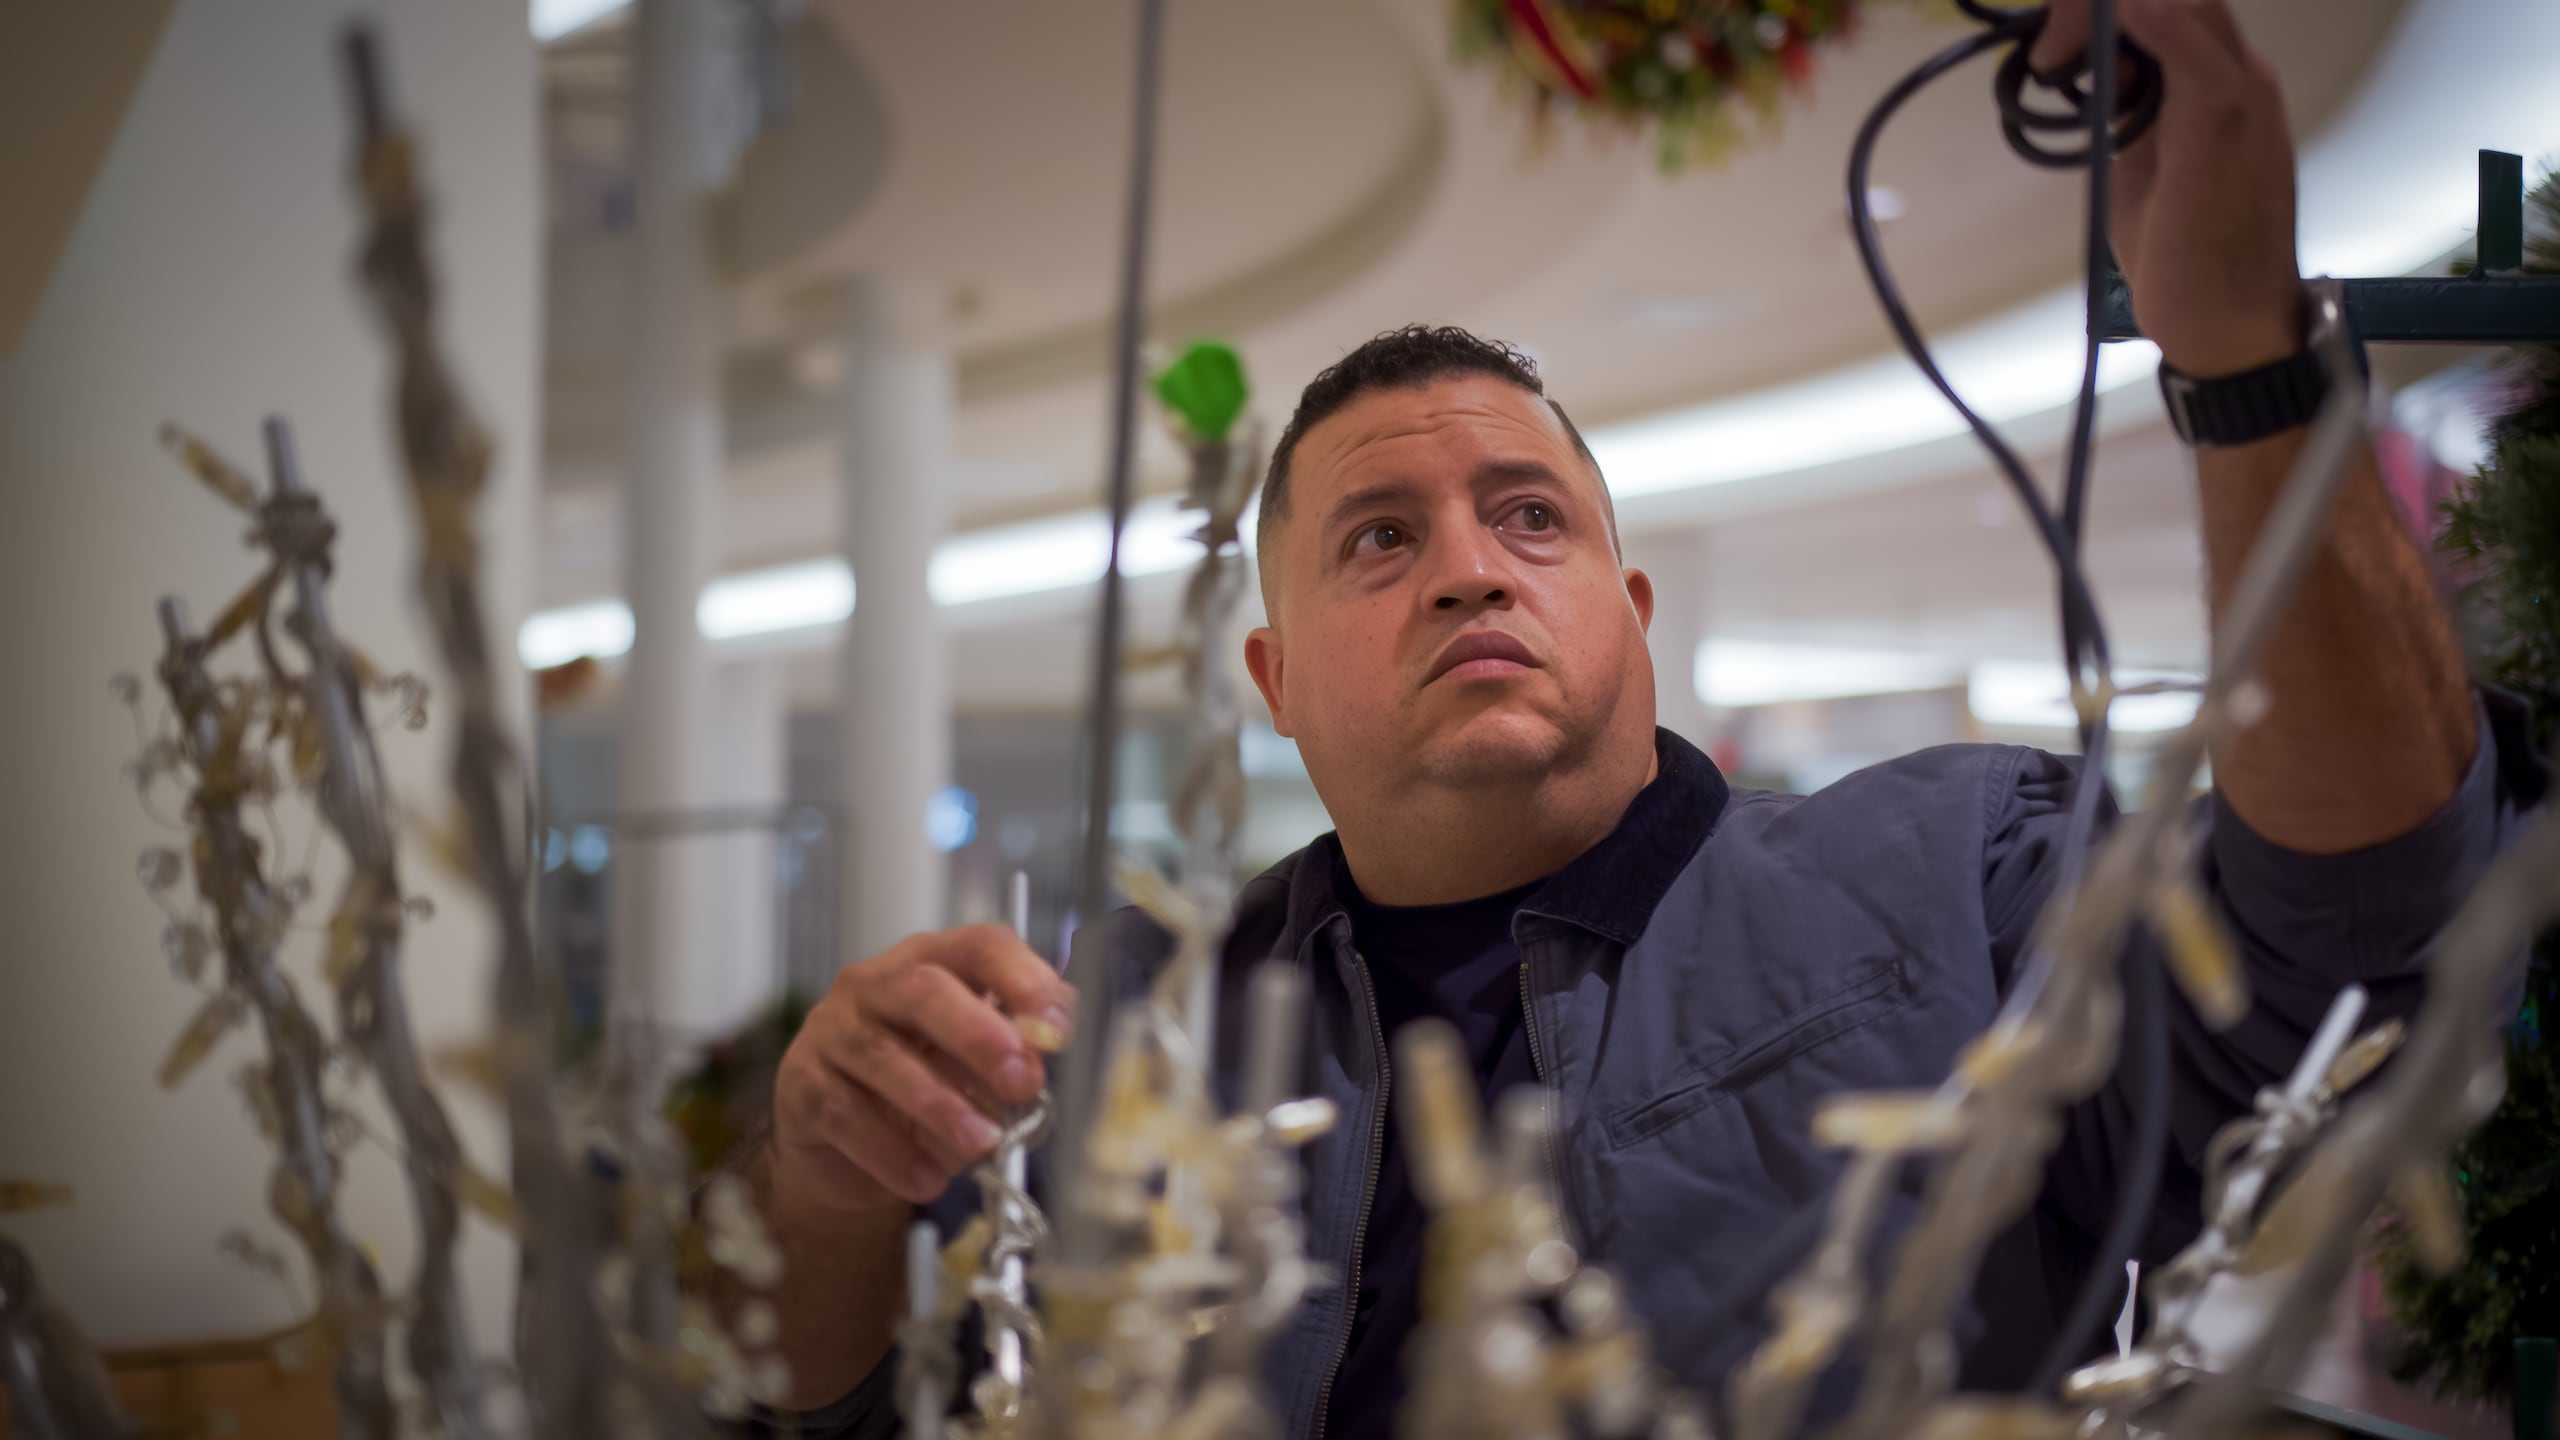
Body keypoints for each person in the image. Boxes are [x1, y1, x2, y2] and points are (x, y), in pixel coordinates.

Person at [728, 3, 2539, 1435]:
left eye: (1532, 519)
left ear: (1631, 613)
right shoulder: (1120, 1026)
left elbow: (2371, 923)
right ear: (1273, 689)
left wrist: (2241, 356)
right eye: (1380, 538)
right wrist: (824, 1189)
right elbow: (865, 1409)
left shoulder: (1956, 877)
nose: (1467, 570)